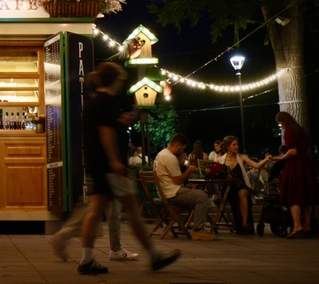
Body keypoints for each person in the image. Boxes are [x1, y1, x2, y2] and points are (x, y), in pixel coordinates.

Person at [77, 63, 180, 274]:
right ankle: (154, 256)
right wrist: (115, 161)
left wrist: (121, 122)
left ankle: (86, 259)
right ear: (114, 80)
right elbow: (105, 132)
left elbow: (103, 127)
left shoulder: (93, 103)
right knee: (132, 210)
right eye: (121, 80)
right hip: (111, 166)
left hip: (97, 164)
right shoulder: (107, 101)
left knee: (94, 211)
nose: (122, 84)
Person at [153, 133, 216, 240]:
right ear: (177, 145)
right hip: (172, 193)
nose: (182, 151)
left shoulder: (161, 154)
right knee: (202, 196)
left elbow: (172, 179)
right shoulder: (170, 157)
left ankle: (195, 226)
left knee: (196, 195)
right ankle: (198, 230)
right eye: (182, 148)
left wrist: (186, 185)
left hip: (165, 192)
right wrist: (189, 170)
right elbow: (177, 180)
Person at [271, 112, 319, 238]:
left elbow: (293, 151)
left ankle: (297, 226)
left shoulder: (289, 132)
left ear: (283, 121)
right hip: (306, 165)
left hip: (295, 166)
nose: (281, 127)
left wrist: (281, 158)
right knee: (306, 196)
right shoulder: (301, 131)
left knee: (293, 196)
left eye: (280, 124)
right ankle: (307, 225)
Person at [217, 135, 270, 235]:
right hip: (228, 188)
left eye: (237, 145)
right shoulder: (220, 160)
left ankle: (245, 223)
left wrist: (266, 159)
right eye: (234, 145)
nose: (237, 147)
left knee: (242, 193)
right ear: (227, 146)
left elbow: (257, 166)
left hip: (241, 186)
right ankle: (240, 224)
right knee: (235, 196)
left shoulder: (242, 158)